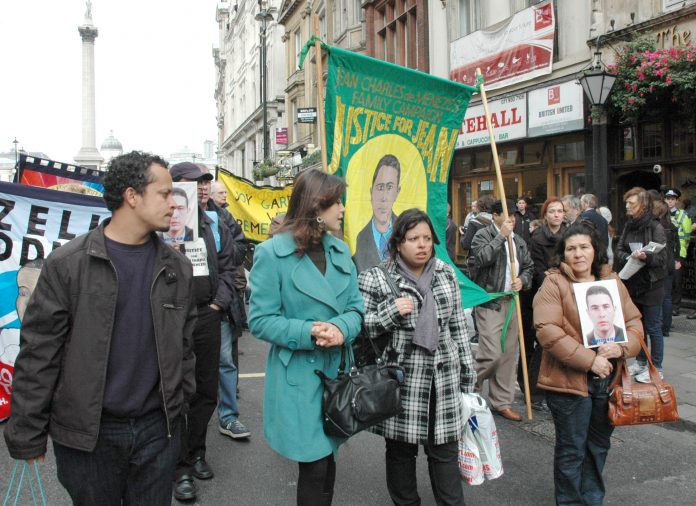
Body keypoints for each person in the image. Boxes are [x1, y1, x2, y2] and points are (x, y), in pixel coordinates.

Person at [4, 151, 196, 505]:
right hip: (89, 436)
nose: (174, 204)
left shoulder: (178, 269)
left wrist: (180, 405)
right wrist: (26, 434)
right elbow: (39, 354)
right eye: (165, 193)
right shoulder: (67, 265)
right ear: (132, 196)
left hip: (158, 431)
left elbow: (184, 347)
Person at [248, 169, 364, 506]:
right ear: (316, 206)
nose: (343, 209)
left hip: (337, 376)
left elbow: (357, 309)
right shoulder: (272, 254)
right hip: (298, 377)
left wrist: (342, 329)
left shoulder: (341, 250)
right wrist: (309, 331)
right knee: (314, 466)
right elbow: (260, 320)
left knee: (328, 462)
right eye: (336, 202)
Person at [358, 208, 475, 506]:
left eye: (426, 238)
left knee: (445, 453)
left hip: (444, 380)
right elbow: (361, 326)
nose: (422, 245)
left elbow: (458, 327)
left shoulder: (446, 273)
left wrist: (467, 377)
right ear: (398, 243)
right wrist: (392, 311)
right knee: (400, 453)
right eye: (413, 238)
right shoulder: (376, 278)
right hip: (401, 381)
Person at [533, 221, 642, 506]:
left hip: (608, 381)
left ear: (595, 250)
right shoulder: (553, 283)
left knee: (598, 447)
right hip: (568, 383)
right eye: (571, 249)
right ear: (563, 254)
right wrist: (589, 360)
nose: (578, 254)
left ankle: (592, 499)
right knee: (572, 450)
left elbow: (634, 324)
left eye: (584, 247)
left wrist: (621, 347)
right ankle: (569, 502)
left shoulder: (611, 281)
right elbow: (547, 330)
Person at [169, 162, 238, 501]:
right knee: (177, 393)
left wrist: (218, 304)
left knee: (206, 390)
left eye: (204, 182)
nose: (201, 187)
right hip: (172, 321)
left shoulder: (215, 224)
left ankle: (196, 452)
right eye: (191, 182)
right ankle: (179, 467)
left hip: (208, 316)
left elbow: (228, 266)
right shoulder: (164, 224)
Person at [469, 200, 534, 421]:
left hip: (511, 301)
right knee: (491, 354)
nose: (512, 220)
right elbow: (480, 260)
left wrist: (523, 281)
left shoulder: (519, 241)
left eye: (514, 216)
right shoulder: (483, 235)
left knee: (508, 355)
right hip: (490, 301)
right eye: (507, 216)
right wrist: (500, 237)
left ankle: (502, 401)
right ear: (495, 215)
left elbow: (528, 266)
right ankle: (468, 387)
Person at [616, 187, 667, 384]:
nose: (627, 206)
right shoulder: (629, 225)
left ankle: (657, 367)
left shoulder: (656, 227)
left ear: (643, 206)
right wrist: (628, 257)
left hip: (652, 285)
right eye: (627, 202)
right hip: (633, 284)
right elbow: (619, 248)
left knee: (653, 327)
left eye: (631, 203)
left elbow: (662, 258)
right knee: (638, 328)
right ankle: (641, 361)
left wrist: (647, 256)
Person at [525, 197, 566, 411]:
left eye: (560, 211)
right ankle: (535, 392)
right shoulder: (538, 238)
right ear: (545, 215)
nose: (556, 215)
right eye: (552, 211)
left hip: (568, 295)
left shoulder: (569, 234)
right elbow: (538, 271)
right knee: (543, 344)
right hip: (545, 296)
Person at [353, 154, 401, 272]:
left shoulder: (406, 231)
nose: (384, 197)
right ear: (371, 192)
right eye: (380, 187)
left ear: (397, 192)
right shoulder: (360, 238)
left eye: (389, 187)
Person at [664, 188, 692, 316]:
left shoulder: (683, 215)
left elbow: (686, 236)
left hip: (678, 252)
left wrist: (681, 252)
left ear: (676, 201)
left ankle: (675, 306)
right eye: (668, 199)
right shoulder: (662, 214)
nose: (670, 201)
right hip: (664, 252)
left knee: (676, 280)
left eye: (672, 199)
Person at [653, 199, 678, 337]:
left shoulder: (656, 226)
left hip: (660, 263)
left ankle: (660, 324)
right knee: (667, 297)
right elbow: (677, 245)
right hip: (669, 263)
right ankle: (666, 328)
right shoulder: (671, 225)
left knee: (659, 296)